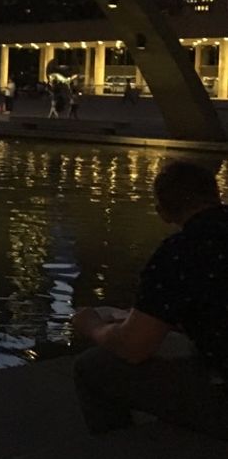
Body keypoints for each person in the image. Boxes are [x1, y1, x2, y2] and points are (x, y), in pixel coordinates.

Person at [71, 160, 228, 438]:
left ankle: (120, 458)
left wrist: (92, 325)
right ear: (216, 195)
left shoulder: (179, 254)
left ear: (162, 212)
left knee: (91, 367)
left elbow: (134, 348)